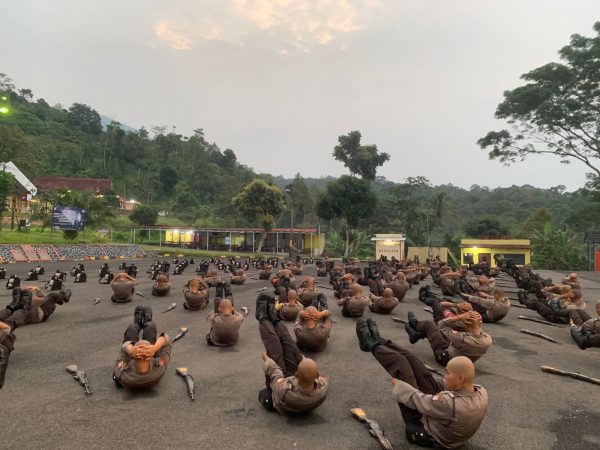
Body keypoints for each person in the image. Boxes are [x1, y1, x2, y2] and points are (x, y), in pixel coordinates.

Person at [356, 318, 488, 448]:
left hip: (425, 431)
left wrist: (399, 384)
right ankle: (381, 341)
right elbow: (444, 392)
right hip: (445, 417)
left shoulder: (449, 403)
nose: (445, 375)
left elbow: (416, 399)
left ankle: (371, 345)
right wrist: (423, 375)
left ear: (460, 378)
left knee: (400, 365)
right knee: (414, 361)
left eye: (448, 373)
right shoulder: (481, 392)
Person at [255, 293, 329, 415]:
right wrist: (300, 358)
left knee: (275, 347)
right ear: (317, 375)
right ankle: (274, 319)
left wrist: (267, 360)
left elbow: (275, 373)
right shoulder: (323, 387)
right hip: (300, 384)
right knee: (290, 344)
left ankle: (263, 318)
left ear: (296, 375)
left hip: (281, 390)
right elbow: (317, 376)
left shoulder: (284, 390)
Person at [113, 306, 171, 391]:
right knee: (151, 327)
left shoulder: (124, 375)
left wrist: (130, 350)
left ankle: (137, 323)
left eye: (137, 347)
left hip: (135, 368)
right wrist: (154, 348)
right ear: (151, 356)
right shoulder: (159, 368)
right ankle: (147, 321)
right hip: (147, 369)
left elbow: (123, 352)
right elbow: (167, 342)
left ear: (133, 357)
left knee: (132, 329)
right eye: (148, 347)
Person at [404, 310, 492, 366]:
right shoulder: (488, 339)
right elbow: (475, 329)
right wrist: (472, 319)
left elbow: (441, 325)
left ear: (467, 325)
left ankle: (415, 324)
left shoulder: (462, 339)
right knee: (440, 331)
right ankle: (416, 335)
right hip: (463, 360)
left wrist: (459, 317)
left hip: (445, 357)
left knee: (430, 325)